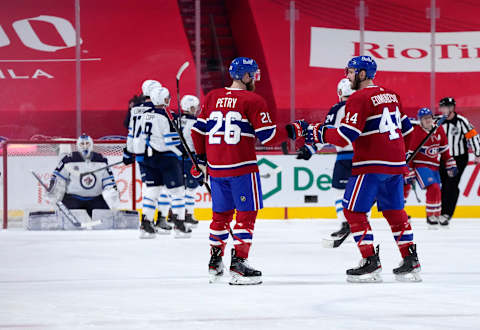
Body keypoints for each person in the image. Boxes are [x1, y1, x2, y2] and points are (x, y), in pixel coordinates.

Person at [288, 55, 421, 283]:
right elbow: (408, 131)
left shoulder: (359, 98)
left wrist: (312, 132)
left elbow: (344, 136)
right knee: (395, 213)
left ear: (361, 74)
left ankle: (370, 262)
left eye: (350, 72)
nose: (347, 76)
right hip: (395, 165)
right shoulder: (392, 95)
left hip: (370, 164)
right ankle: (411, 260)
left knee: (352, 211)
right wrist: (402, 156)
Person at [190, 57, 283, 285]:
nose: (255, 79)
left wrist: (201, 159)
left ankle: (215, 262)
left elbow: (197, 131)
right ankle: (239, 264)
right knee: (246, 215)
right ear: (246, 76)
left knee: (220, 217)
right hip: (242, 167)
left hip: (217, 169)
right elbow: (268, 136)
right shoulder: (253, 100)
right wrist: (294, 131)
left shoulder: (212, 97)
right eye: (253, 74)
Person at [138, 86, 191, 238]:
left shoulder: (145, 115)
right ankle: (179, 225)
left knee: (152, 191)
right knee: (178, 192)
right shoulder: (168, 116)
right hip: (167, 158)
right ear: (165, 99)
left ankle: (145, 224)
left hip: (149, 157)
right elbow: (171, 141)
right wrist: (183, 152)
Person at [404, 108, 457, 228]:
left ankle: (436, 214)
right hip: (420, 165)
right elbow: (411, 155)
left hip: (434, 166)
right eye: (424, 119)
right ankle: (430, 216)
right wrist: (410, 171)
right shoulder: (416, 132)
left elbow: (444, 151)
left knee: (437, 189)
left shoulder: (439, 130)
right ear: (420, 121)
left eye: (429, 117)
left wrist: (450, 164)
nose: (427, 120)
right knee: (433, 187)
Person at [48, 134, 120, 217]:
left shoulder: (101, 160)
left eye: (87, 143)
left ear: (91, 145)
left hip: (95, 199)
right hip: (73, 199)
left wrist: (113, 195)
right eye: (82, 144)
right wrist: (54, 191)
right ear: (78, 146)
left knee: (106, 220)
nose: (85, 146)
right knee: (64, 221)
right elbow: (58, 178)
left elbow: (109, 183)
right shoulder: (69, 159)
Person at [438, 97, 480, 226]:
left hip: (458, 158)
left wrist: (477, 153)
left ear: (452, 108)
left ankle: (446, 213)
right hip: (443, 158)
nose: (444, 109)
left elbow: (473, 136)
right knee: (444, 184)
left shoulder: (462, 121)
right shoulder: (438, 122)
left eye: (447, 106)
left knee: (451, 184)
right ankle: (442, 211)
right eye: (443, 107)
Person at [180, 94, 201, 227]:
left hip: (177, 158)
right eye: (195, 107)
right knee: (191, 189)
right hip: (190, 158)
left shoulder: (176, 120)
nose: (197, 109)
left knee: (179, 188)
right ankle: (187, 214)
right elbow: (196, 142)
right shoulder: (195, 123)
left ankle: (175, 213)